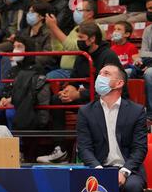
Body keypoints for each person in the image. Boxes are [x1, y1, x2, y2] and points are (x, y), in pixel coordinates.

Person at [77, 64, 147, 192]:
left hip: (128, 169)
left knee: (133, 188)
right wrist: (100, 171)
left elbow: (140, 148)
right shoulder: (85, 111)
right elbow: (84, 148)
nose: (100, 76)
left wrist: (124, 172)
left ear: (119, 83)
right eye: (99, 73)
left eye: (106, 73)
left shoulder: (136, 111)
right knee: (85, 186)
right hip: (98, 168)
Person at [37, 21, 124, 163]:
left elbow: (109, 88)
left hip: (108, 97)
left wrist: (79, 94)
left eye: (81, 38)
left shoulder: (108, 56)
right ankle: (60, 151)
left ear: (92, 39)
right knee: (57, 100)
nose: (78, 42)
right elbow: (74, 79)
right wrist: (69, 89)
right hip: (87, 96)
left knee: (94, 104)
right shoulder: (82, 56)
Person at [45, 0, 105, 80]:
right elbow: (59, 50)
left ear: (90, 14)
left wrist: (54, 27)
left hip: (79, 72)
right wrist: (53, 32)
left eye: (79, 10)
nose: (75, 13)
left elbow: (72, 47)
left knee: (47, 78)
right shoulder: (76, 29)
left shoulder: (97, 28)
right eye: (75, 10)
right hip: (64, 70)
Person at [139, 0, 152, 121]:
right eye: (148, 9)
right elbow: (143, 53)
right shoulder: (148, 30)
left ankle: (151, 114)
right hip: (148, 63)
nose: (150, 12)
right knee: (124, 73)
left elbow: (146, 53)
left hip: (150, 67)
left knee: (149, 73)